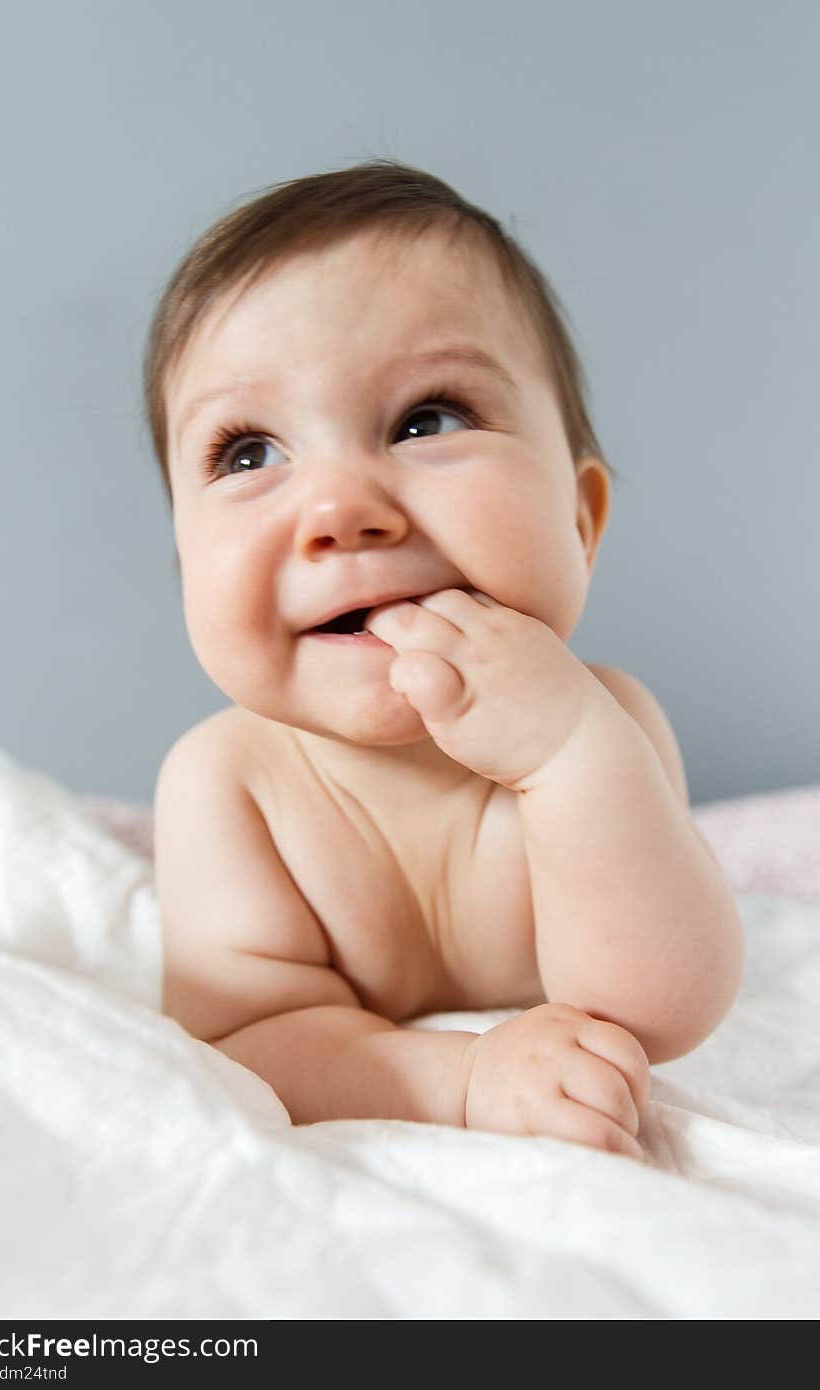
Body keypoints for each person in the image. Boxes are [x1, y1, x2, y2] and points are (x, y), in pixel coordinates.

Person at [146, 160, 744, 1162]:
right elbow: (244, 1042)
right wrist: (465, 1078)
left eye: (427, 419)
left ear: (578, 519)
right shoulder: (228, 784)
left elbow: (663, 1007)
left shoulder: (605, 722)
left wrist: (564, 752)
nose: (339, 511)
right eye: (248, 452)